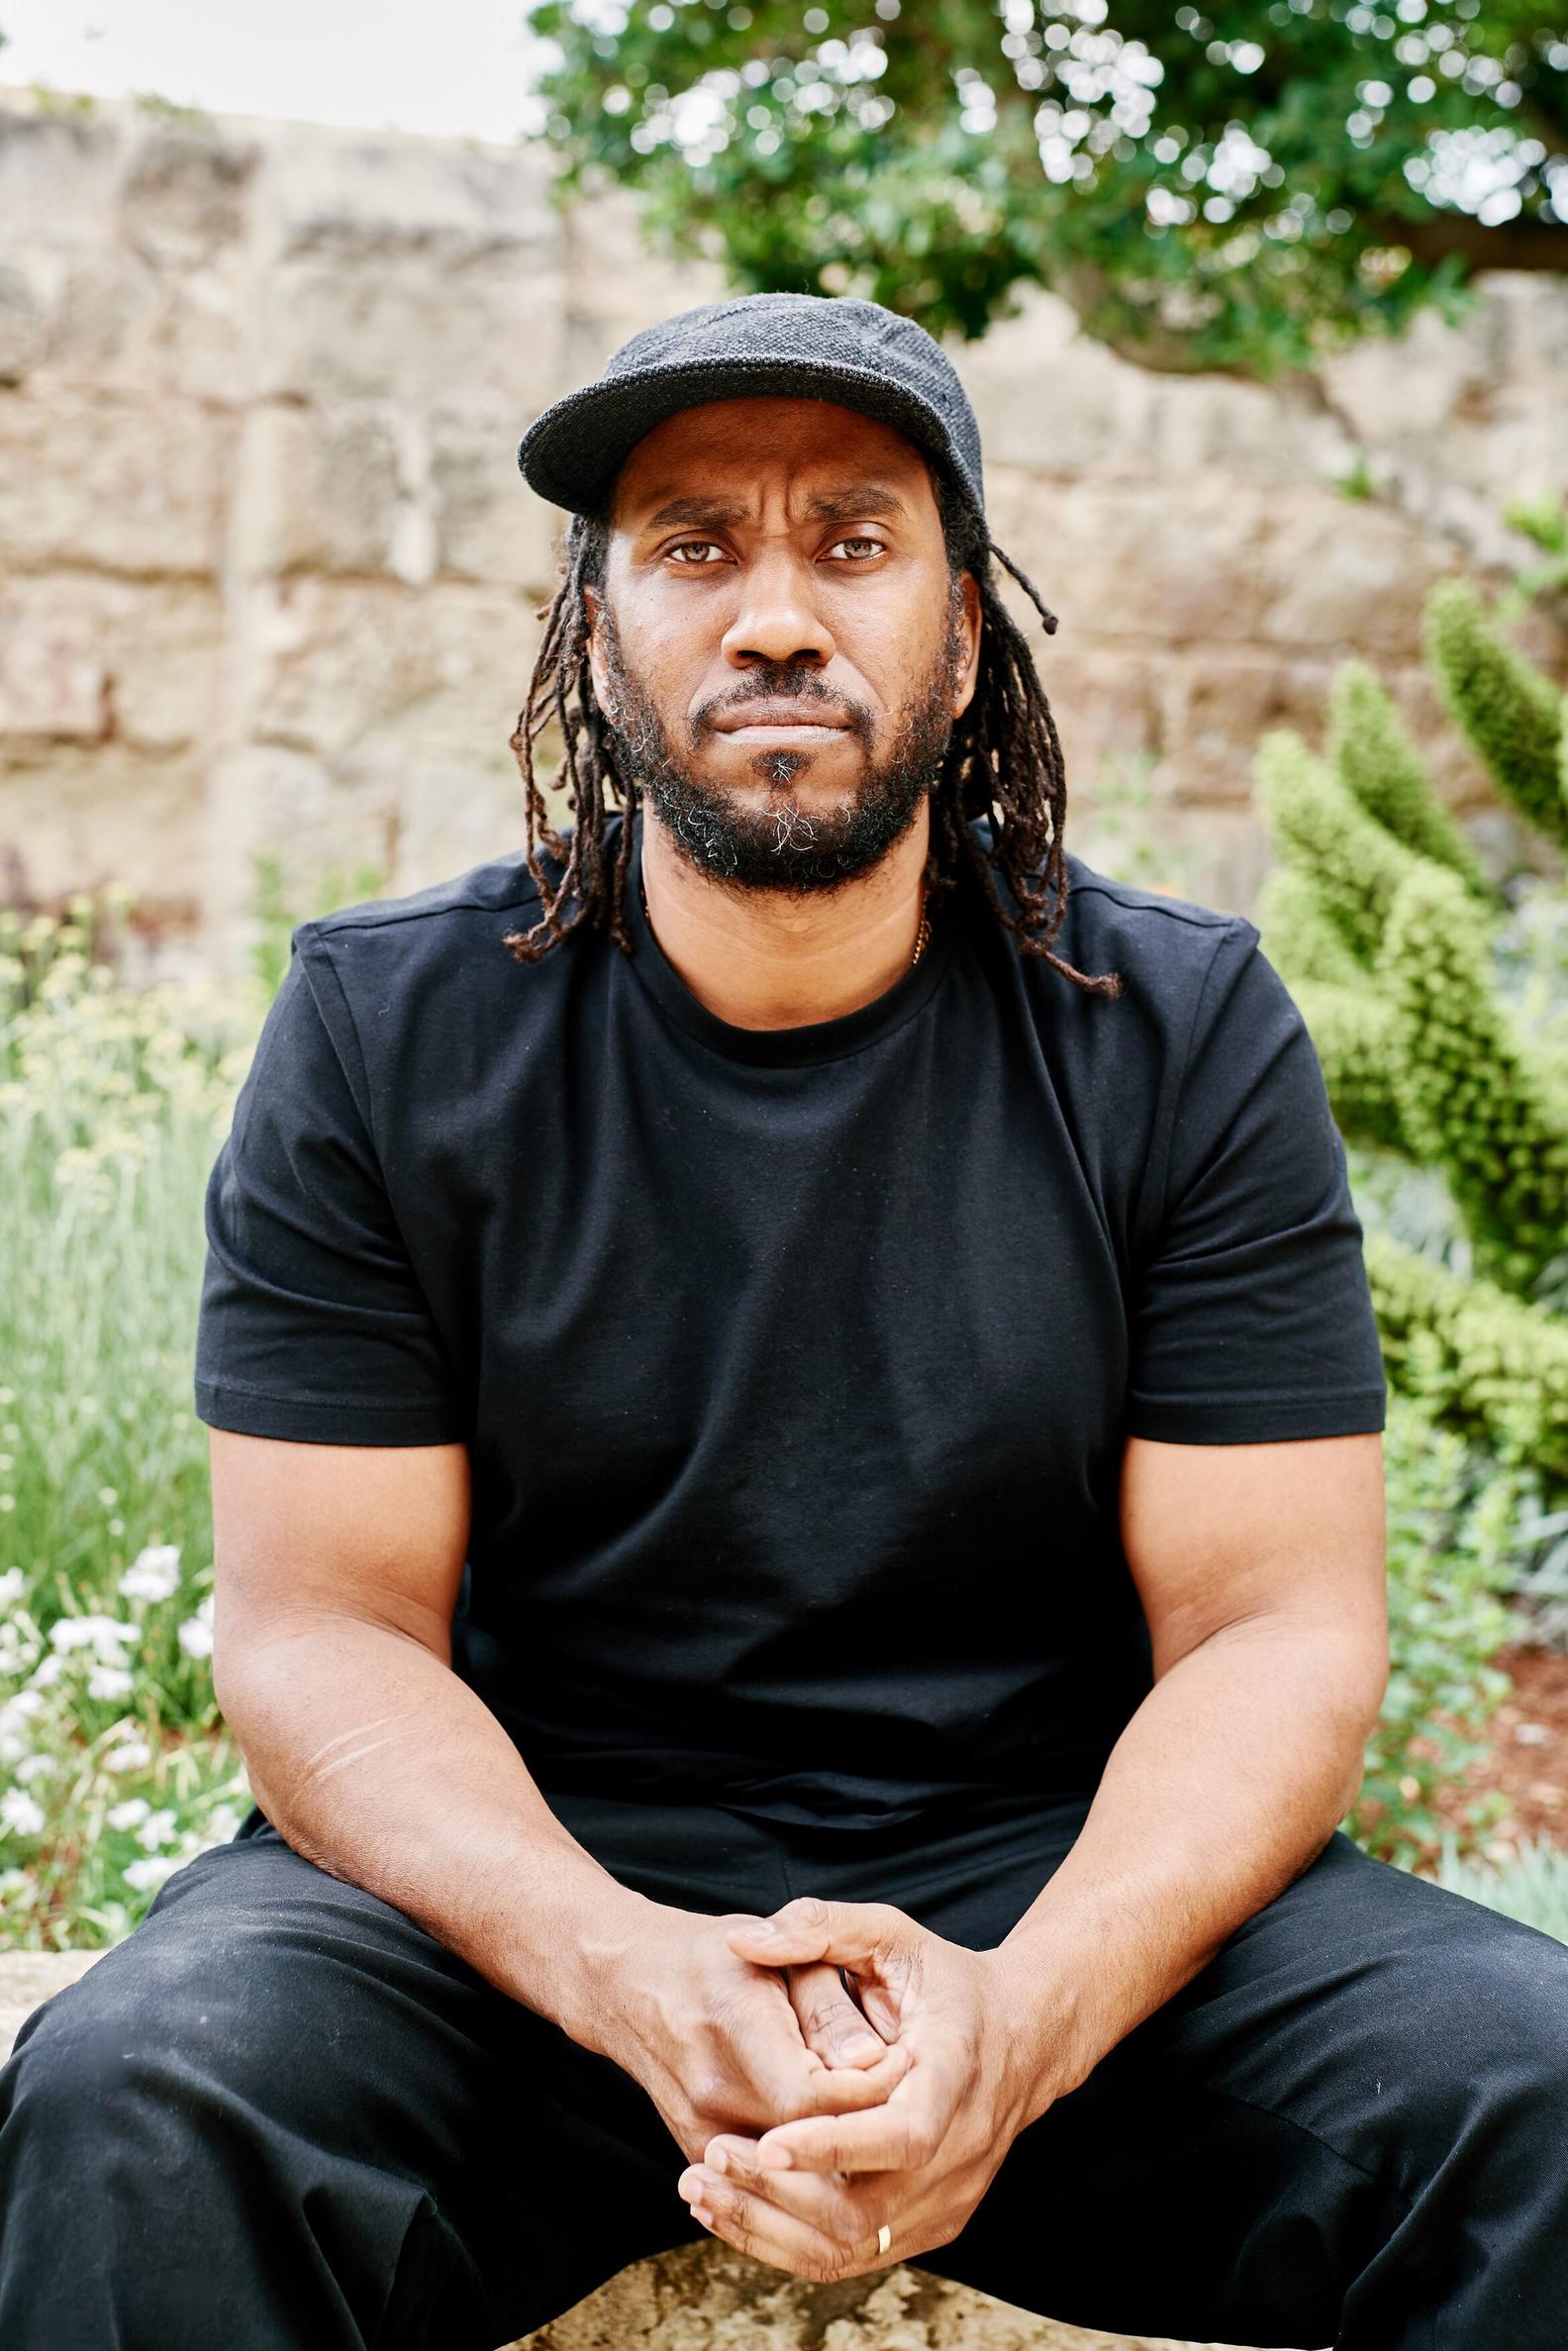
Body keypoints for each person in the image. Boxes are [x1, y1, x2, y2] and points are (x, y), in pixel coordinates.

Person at [1, 293, 1564, 2351]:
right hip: (526, 1911)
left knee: (1541, 2104)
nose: (771, 619)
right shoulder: (390, 1031)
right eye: (691, 545)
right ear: (597, 627)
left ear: (969, 625)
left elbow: (1276, 1627)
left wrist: (1028, 2016)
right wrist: (621, 1965)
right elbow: (319, 1631)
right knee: (134, 2109)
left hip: (1056, 1895)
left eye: (851, 540)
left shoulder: (1176, 1031)